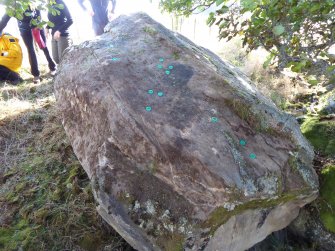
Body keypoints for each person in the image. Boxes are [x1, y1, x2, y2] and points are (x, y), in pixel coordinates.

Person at [0, 7, 56, 83]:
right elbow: (4, 21)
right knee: (30, 49)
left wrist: (38, 23)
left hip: (37, 25)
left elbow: (38, 9)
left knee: (43, 46)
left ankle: (52, 67)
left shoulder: (30, 3)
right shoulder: (13, 5)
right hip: (24, 28)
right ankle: (36, 75)